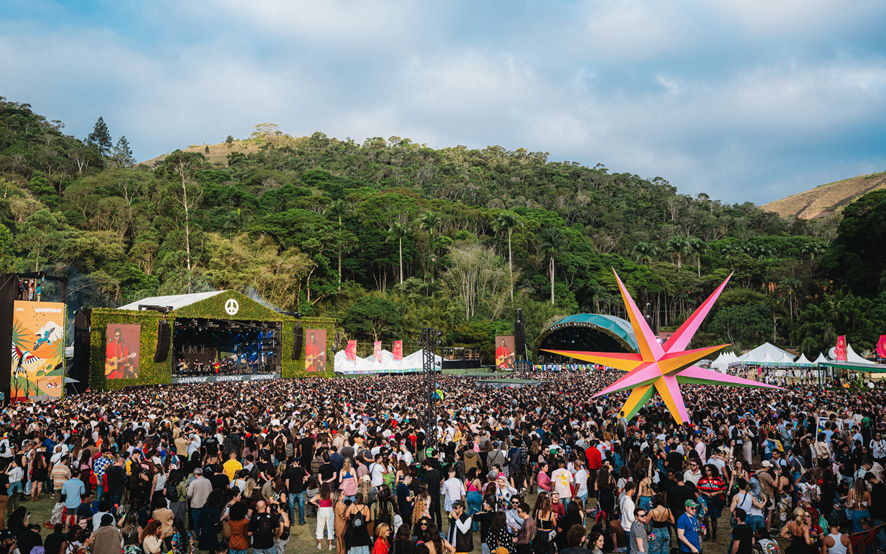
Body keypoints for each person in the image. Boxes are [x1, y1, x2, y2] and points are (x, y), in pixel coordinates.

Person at [310, 482, 336, 551]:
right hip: (329, 509)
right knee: (330, 527)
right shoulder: (331, 494)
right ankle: (330, 545)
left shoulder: (319, 495)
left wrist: (317, 504)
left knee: (320, 526)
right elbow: (334, 501)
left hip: (321, 510)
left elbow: (311, 500)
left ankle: (319, 544)